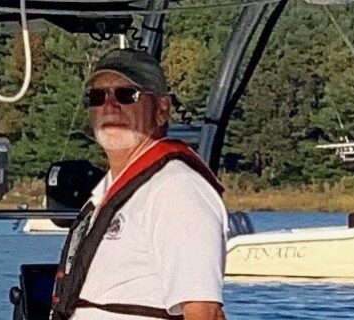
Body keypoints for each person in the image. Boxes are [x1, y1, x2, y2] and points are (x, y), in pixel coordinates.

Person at [51, 49, 228, 320]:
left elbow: (205, 312)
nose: (109, 106)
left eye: (126, 94)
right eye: (98, 97)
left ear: (161, 109)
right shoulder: (104, 195)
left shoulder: (177, 189)